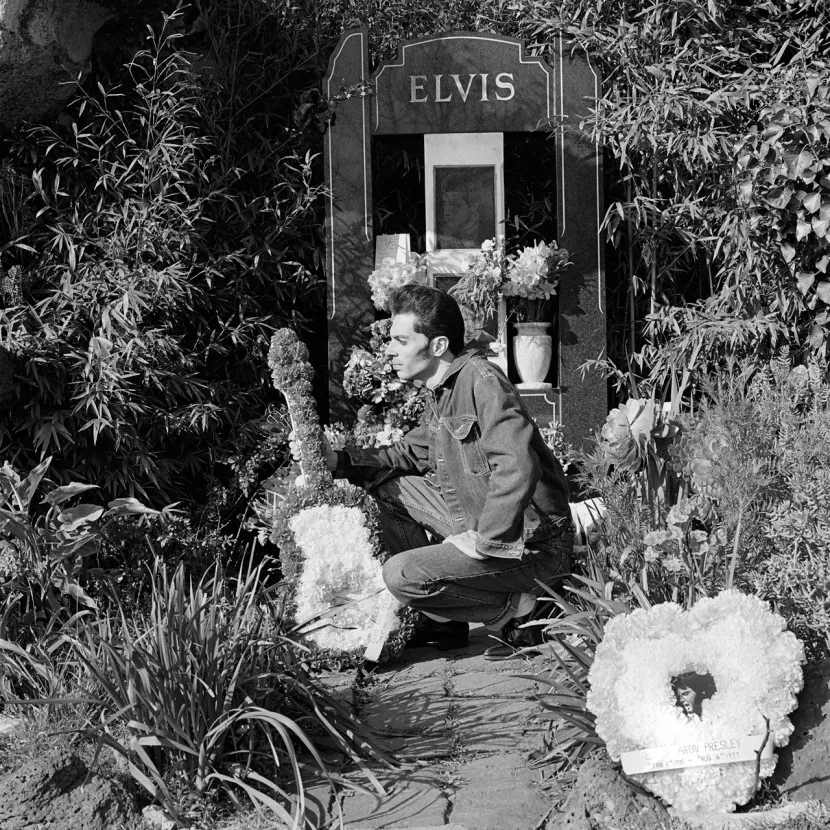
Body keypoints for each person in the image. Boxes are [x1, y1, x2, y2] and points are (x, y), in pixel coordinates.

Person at [324, 284, 572, 659]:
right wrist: (338, 461)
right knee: (391, 487)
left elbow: (519, 465)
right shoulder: (442, 392)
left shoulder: (483, 382)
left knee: (401, 575)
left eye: (401, 340)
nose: (390, 350)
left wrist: (486, 539)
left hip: (530, 545)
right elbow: (406, 454)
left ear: (437, 346)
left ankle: (525, 610)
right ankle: (443, 620)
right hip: (480, 525)